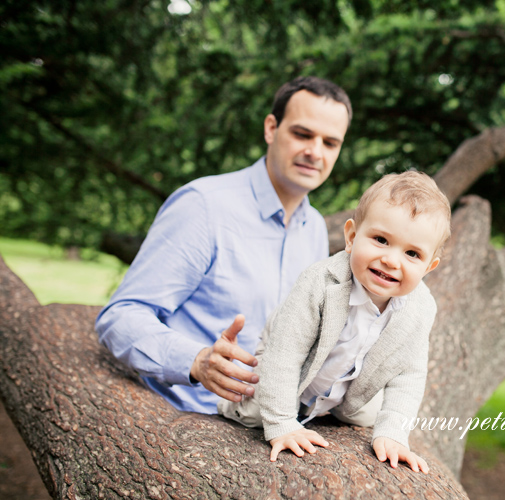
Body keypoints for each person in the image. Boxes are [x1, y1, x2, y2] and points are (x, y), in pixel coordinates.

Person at [96, 77, 352, 414]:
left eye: (330, 143)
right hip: (188, 417)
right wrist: (197, 361)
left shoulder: (314, 229)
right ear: (271, 128)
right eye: (302, 134)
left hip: (268, 423)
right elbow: (120, 317)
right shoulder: (203, 206)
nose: (315, 152)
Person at [217, 171, 452, 473]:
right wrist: (282, 424)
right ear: (352, 237)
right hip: (290, 371)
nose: (392, 261)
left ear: (429, 266)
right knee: (253, 412)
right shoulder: (320, 282)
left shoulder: (420, 308)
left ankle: (341, 413)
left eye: (412, 253)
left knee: (370, 418)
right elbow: (284, 354)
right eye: (381, 240)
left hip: (351, 391)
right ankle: (235, 406)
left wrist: (394, 432)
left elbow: (408, 375)